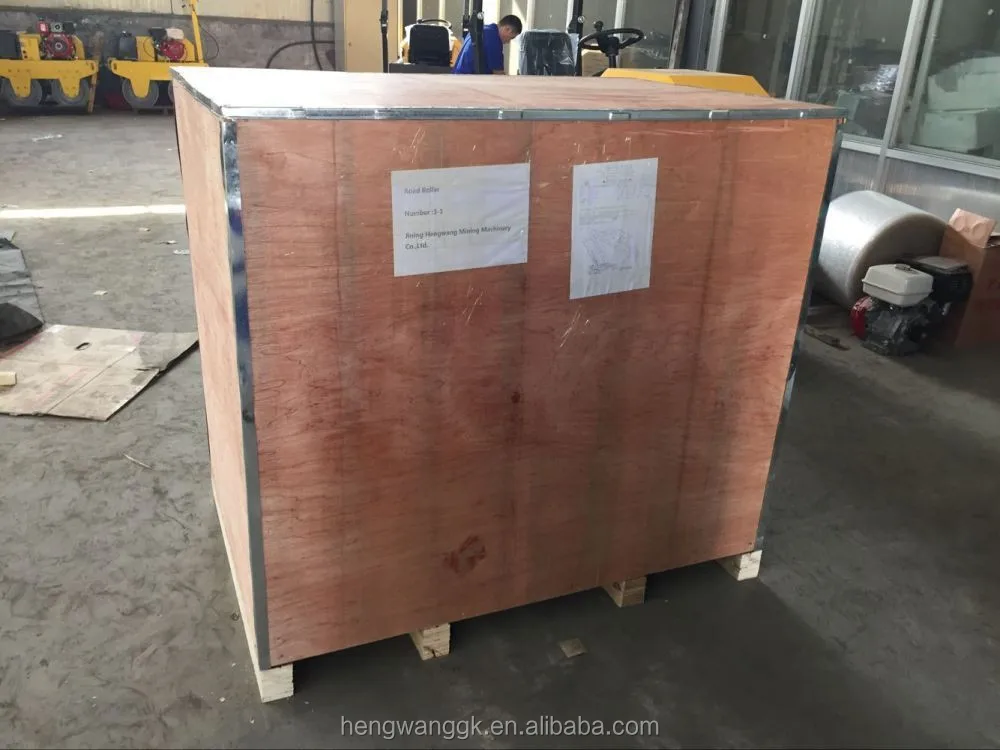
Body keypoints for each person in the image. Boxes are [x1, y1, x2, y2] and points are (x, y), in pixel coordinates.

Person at [452, 14, 522, 74]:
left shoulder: (483, 30)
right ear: (507, 29)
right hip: (468, 79)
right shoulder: (493, 38)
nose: (508, 42)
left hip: (459, 76)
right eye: (511, 38)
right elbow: (498, 73)